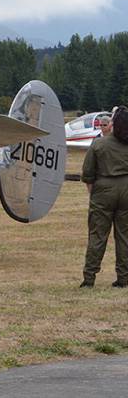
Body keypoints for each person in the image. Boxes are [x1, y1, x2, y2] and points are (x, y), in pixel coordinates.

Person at [81, 107, 128, 288]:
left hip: (103, 191)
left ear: (113, 124)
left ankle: (89, 278)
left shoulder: (99, 144)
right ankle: (123, 278)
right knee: (124, 237)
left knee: (97, 235)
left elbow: (88, 174)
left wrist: (94, 194)